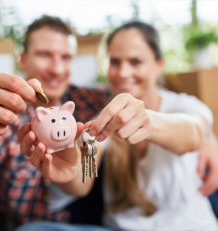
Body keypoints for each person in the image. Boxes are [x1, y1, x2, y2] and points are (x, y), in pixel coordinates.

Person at [0, 15, 218, 230]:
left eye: (66, 57)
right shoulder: (12, 113)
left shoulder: (98, 101)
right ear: (23, 59)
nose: (57, 68)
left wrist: (209, 138)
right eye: (45, 55)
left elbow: (191, 122)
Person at [17, 21, 218, 231]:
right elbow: (84, 177)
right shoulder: (104, 118)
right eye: (115, 62)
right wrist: (69, 171)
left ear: (159, 64)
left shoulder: (184, 105)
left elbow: (194, 133)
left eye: (136, 61)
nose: (122, 73)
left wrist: (147, 120)